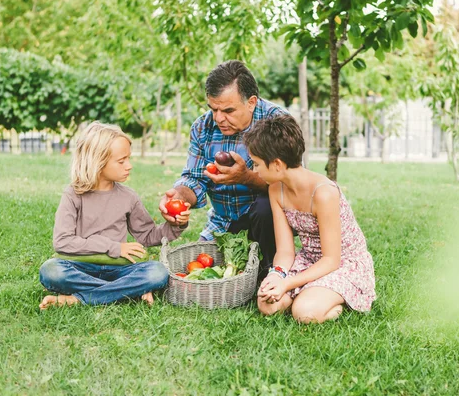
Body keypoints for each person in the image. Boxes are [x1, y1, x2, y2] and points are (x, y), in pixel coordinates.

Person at [39, 122, 190, 309]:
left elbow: (147, 235)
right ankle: (128, 291)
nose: (129, 165)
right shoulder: (73, 195)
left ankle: (78, 298)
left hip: (121, 269)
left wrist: (175, 224)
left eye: (128, 158)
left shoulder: (128, 196)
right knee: (51, 271)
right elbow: (62, 241)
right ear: (98, 162)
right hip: (80, 267)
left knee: (157, 272)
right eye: (121, 161)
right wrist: (114, 247)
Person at [243, 115, 377, 323]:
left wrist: (287, 284)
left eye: (257, 164)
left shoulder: (323, 193)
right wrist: (276, 275)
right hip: (309, 260)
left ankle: (334, 300)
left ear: (277, 164)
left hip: (342, 263)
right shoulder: (276, 190)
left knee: (304, 313)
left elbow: (331, 260)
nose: (254, 170)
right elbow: (286, 251)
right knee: (267, 305)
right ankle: (310, 293)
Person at [159, 60, 287, 277]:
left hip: (267, 221)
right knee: (199, 271)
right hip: (223, 222)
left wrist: (246, 178)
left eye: (228, 110)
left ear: (251, 102)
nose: (218, 118)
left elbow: (289, 186)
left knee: (265, 208)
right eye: (213, 109)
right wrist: (178, 197)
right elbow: (194, 179)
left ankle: (269, 269)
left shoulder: (277, 122)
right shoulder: (202, 127)